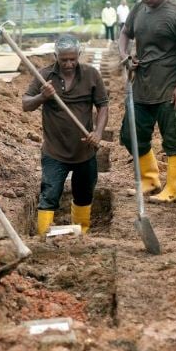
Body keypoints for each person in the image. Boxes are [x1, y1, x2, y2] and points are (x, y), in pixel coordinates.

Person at [119, 0, 176, 203]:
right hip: (141, 86)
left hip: (170, 89)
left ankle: (173, 187)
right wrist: (125, 56)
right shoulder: (138, 9)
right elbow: (124, 34)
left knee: (174, 140)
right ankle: (150, 179)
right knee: (130, 135)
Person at [23, 34, 108, 236]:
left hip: (84, 151)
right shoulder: (44, 76)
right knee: (50, 195)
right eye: (64, 60)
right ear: (56, 56)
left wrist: (98, 132)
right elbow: (26, 104)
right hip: (54, 151)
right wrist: (42, 96)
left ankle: (82, 233)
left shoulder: (91, 74)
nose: (68, 64)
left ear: (78, 55)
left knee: (84, 195)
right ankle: (44, 235)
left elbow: (103, 105)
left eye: (72, 59)